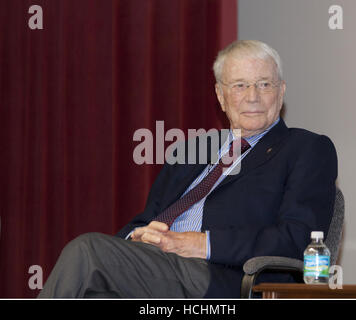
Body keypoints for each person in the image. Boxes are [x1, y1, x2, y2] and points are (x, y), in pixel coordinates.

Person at [38, 40, 337, 298]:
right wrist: (137, 238)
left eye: (264, 84)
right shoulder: (192, 149)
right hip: (156, 265)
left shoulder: (307, 149)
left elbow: (298, 239)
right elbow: (147, 218)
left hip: (224, 277)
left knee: (86, 251)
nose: (252, 96)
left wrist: (204, 244)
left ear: (281, 91)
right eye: (240, 85)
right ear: (220, 96)